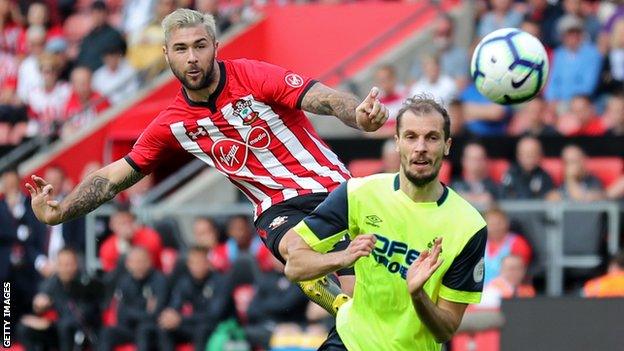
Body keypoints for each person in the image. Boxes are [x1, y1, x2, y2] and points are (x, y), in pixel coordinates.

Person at [26, 8, 389, 315]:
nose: (192, 57)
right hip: (275, 207)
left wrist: (357, 114)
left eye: (200, 46)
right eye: (181, 49)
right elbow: (115, 176)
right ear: (167, 55)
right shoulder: (173, 123)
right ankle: (344, 298)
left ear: (215, 47)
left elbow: (321, 98)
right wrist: (60, 212)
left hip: (329, 186)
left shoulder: (252, 75)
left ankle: (350, 304)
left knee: (369, 305)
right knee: (297, 252)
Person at [281, 95, 488, 350]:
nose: (420, 147)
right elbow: (294, 265)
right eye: (411, 137)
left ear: (447, 145)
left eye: (431, 138)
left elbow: (445, 330)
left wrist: (418, 295)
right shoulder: (358, 193)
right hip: (349, 342)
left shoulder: (468, 226)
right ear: (397, 143)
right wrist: (341, 258)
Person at [17, 247, 101, 351]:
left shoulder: (85, 283)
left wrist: (48, 323)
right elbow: (41, 300)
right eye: (61, 264)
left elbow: (82, 317)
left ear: (76, 265)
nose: (65, 269)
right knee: (24, 328)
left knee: (64, 327)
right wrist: (38, 307)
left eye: (68, 264)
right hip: (56, 330)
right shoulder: (53, 282)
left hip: (81, 332)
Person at [99, 246, 168, 351]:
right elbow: (121, 314)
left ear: (150, 262)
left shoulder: (160, 280)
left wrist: (131, 312)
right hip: (129, 328)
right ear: (128, 264)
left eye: (141, 261)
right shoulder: (124, 282)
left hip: (152, 330)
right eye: (134, 262)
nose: (138, 265)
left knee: (144, 330)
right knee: (107, 332)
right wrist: (144, 309)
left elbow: (156, 315)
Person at [157, 246, 223, 350]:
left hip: (215, 326)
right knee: (165, 328)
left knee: (202, 330)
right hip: (193, 323)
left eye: (199, 262)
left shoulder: (219, 282)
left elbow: (214, 315)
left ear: (208, 263)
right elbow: (175, 304)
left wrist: (181, 318)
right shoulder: (185, 282)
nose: (196, 266)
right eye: (193, 263)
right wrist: (170, 315)